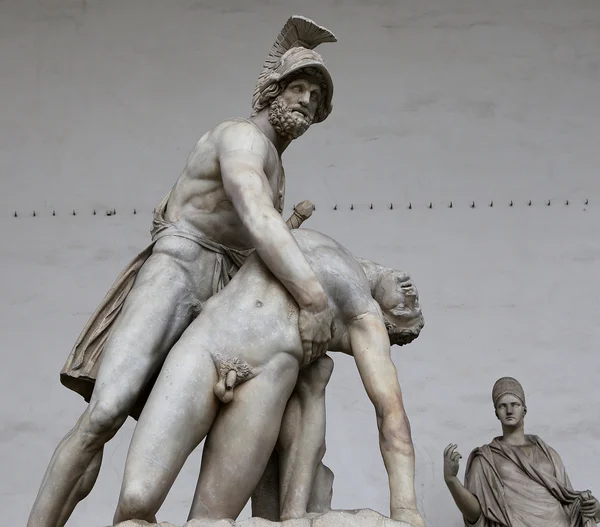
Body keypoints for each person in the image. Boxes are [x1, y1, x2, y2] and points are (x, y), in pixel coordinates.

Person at [27, 16, 338, 527]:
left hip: (224, 297)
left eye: (315, 96)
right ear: (270, 93)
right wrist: (314, 298)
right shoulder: (241, 137)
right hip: (179, 272)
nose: (306, 100)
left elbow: (261, 239)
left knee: (263, 408)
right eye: (298, 88)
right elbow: (256, 216)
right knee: (104, 413)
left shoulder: (280, 169)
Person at [111, 228, 426, 527]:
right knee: (135, 499)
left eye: (407, 310)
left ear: (385, 327)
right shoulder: (310, 239)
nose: (412, 295)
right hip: (206, 345)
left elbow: (390, 412)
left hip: (263, 384)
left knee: (208, 521)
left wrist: (406, 511)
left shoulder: (362, 315)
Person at [443, 377, 600, 526]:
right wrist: (451, 480)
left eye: (515, 404)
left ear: (524, 409)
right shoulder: (486, 458)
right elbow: (477, 514)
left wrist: (593, 508)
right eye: (502, 406)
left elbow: (569, 500)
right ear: (496, 413)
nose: (509, 410)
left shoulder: (548, 452)